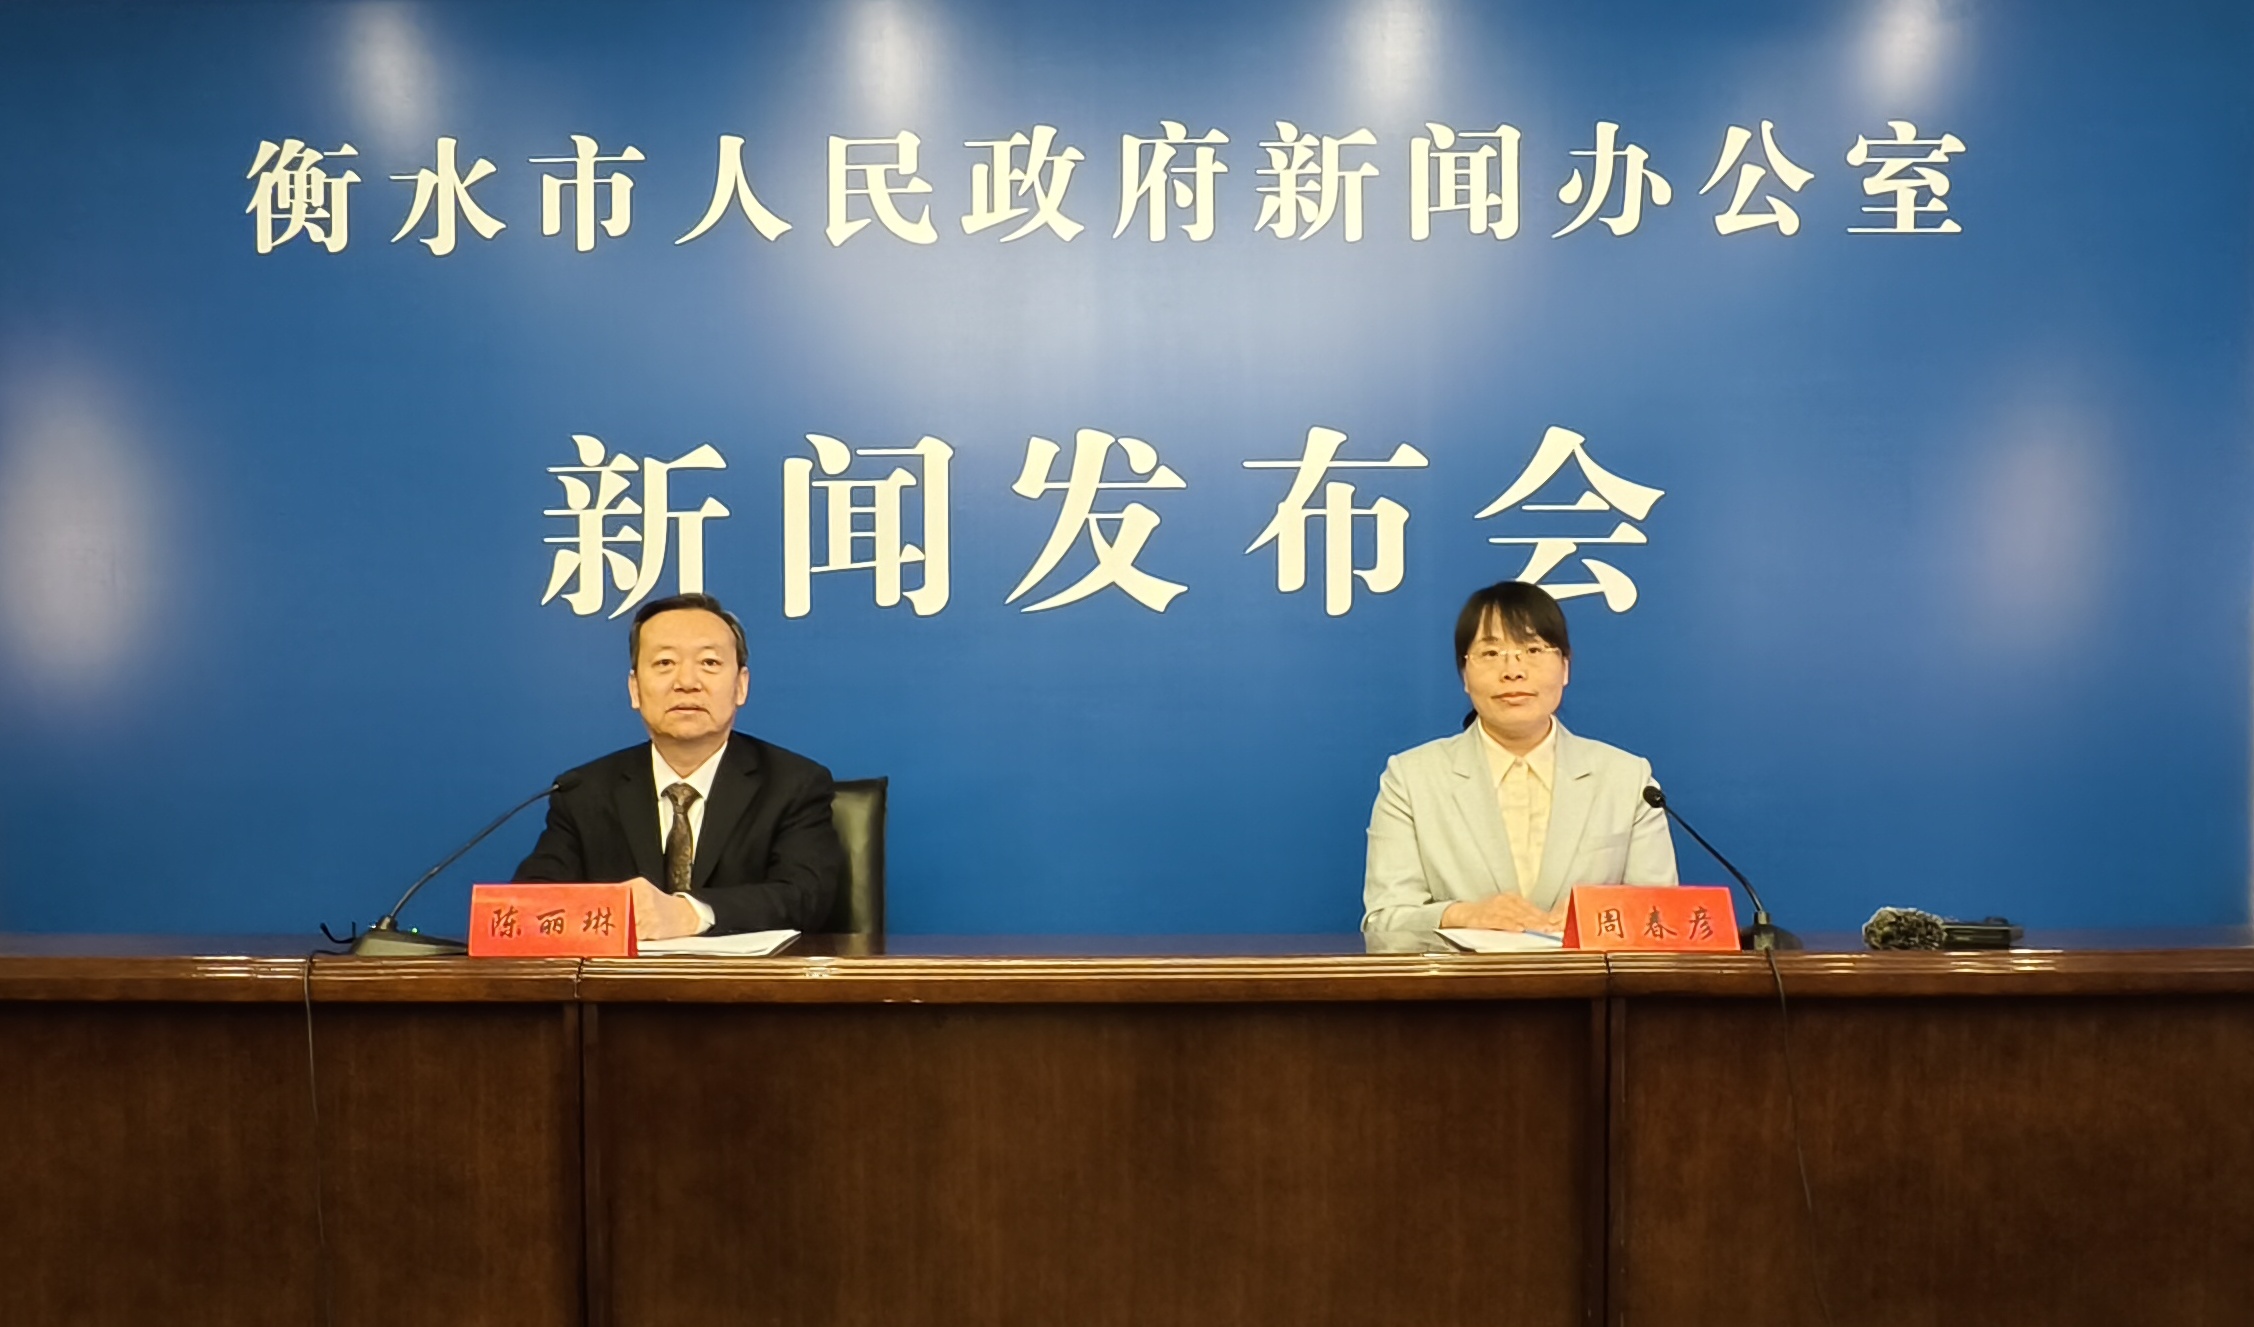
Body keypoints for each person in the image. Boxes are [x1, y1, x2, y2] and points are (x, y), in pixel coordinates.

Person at [514, 592, 843, 939]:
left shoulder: (794, 783)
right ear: (635, 689)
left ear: (741, 686)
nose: (686, 683)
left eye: (709, 663)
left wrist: (689, 914)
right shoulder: (584, 792)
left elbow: (805, 897)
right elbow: (533, 903)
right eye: (665, 663)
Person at [1362, 580, 1675, 934]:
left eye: (1533, 649)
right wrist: (1461, 916)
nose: (1513, 670)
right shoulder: (1411, 779)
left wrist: (1601, 912)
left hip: (1585, 972)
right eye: (1491, 654)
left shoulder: (1628, 780)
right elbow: (1383, 924)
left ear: (1565, 667)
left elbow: (1663, 917)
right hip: (1466, 971)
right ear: (1464, 674)